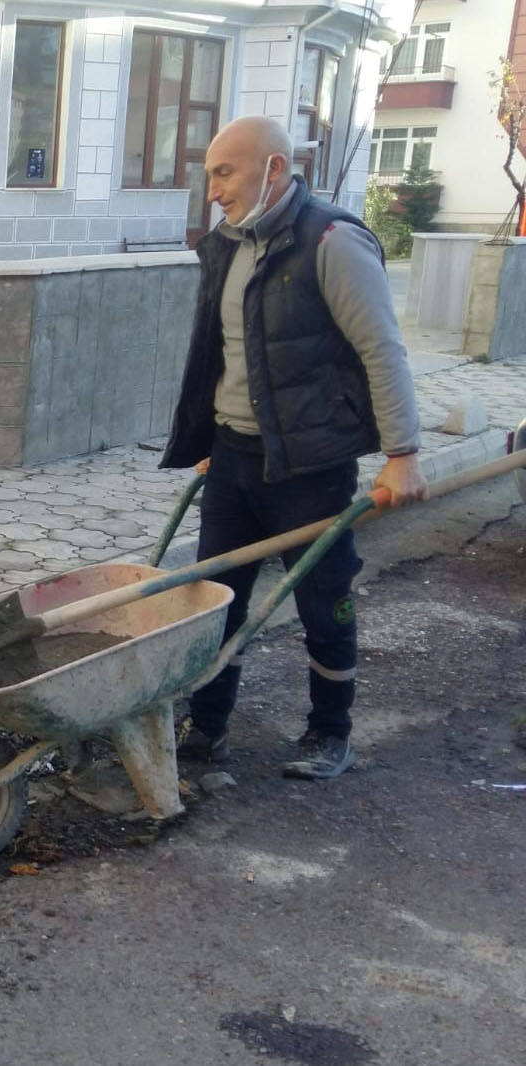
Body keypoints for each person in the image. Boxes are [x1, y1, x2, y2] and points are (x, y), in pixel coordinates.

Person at [162, 115, 428, 780]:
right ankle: (207, 727)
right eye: (209, 176)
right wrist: (213, 434)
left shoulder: (330, 240)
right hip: (235, 459)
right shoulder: (227, 244)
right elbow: (225, 355)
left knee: (322, 601)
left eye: (224, 173)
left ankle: (329, 733)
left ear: (272, 169)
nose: (212, 190)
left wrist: (403, 454)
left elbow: (382, 349)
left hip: (310, 467)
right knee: (215, 597)